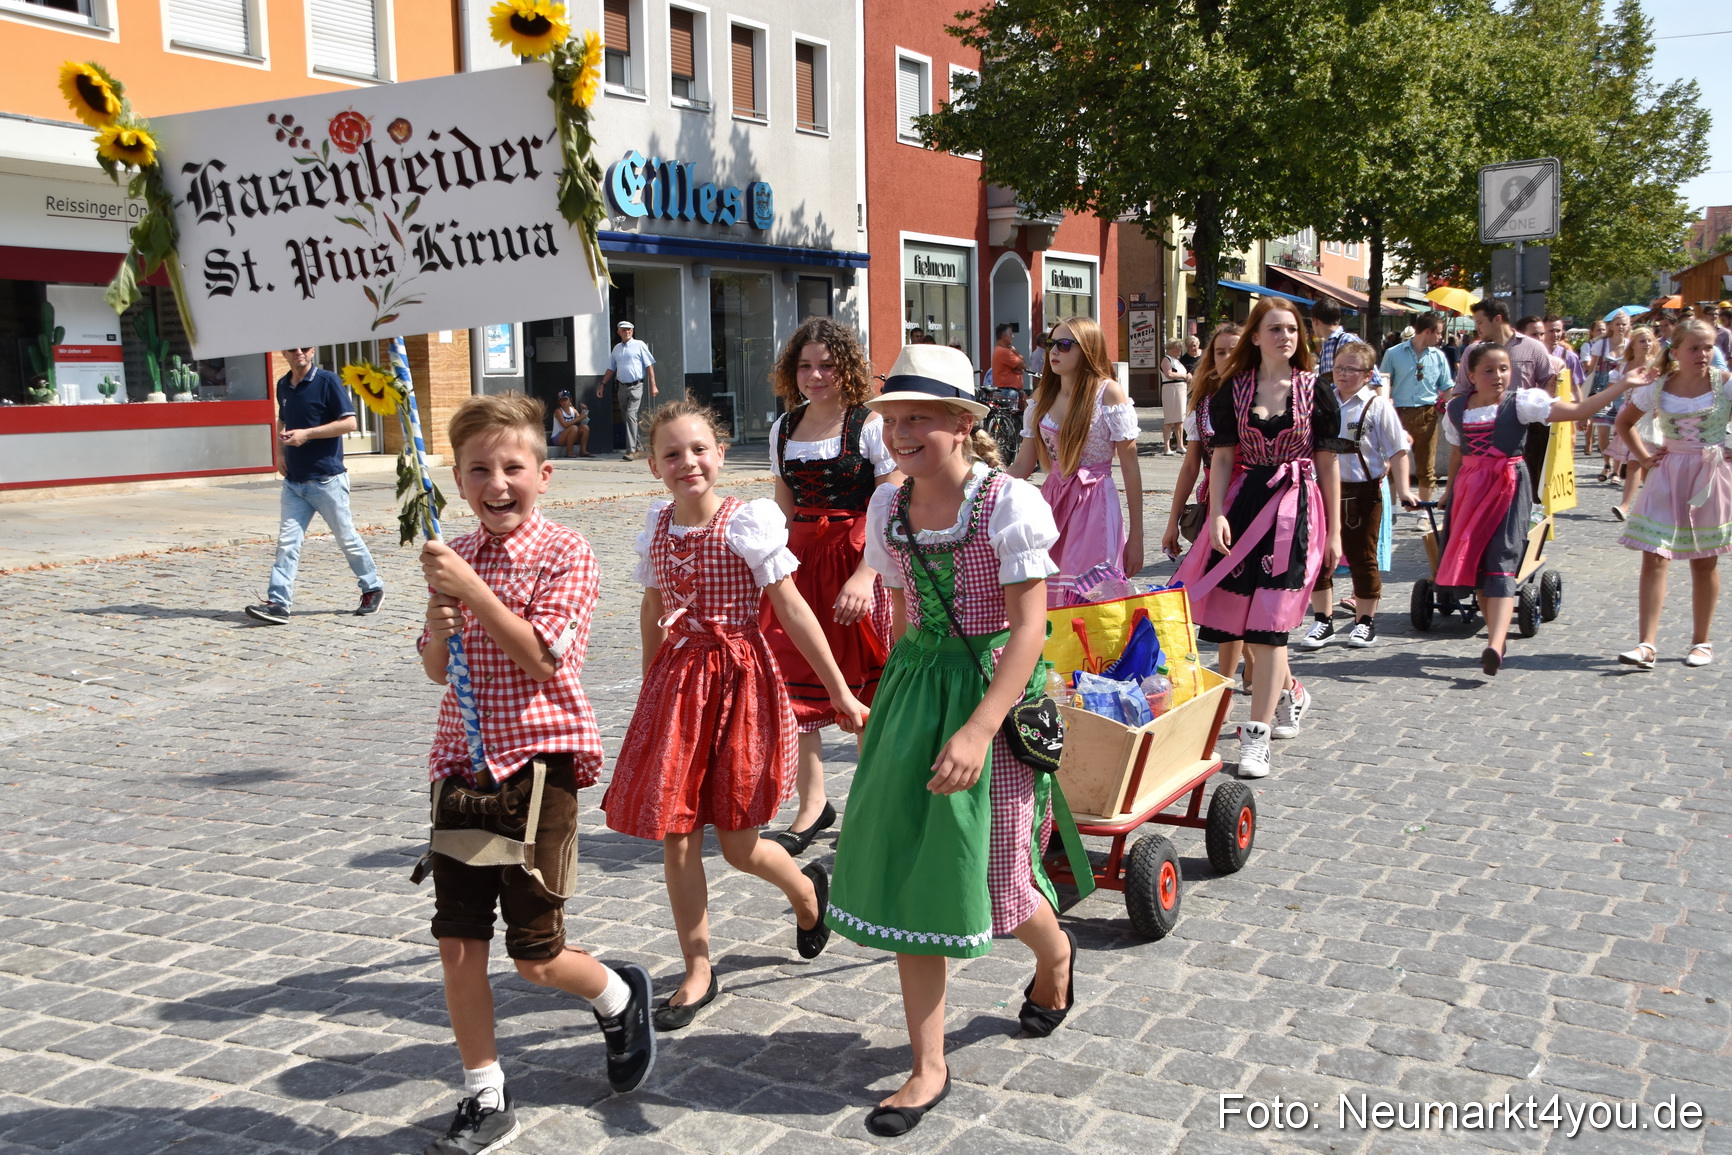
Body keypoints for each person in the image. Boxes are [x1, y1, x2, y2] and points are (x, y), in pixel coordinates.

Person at [826, 344, 1073, 1138]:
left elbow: (1030, 628)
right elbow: (900, 616)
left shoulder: (1009, 503)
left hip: (990, 693)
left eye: (920, 418)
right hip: (914, 692)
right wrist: (889, 711)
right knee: (907, 865)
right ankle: (928, 1064)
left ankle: (1055, 955)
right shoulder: (886, 507)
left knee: (1000, 879)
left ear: (964, 424)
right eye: (892, 418)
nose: (901, 432)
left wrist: (978, 724)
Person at [415, 394, 654, 1155]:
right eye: (479, 468)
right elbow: (431, 667)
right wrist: (442, 619)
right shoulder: (453, 553)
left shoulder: (567, 552)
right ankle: (485, 1092)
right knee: (457, 941)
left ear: (543, 474)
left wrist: (473, 594)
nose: (497, 481)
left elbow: (543, 658)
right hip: (462, 765)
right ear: (457, 478)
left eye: (512, 466)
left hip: (541, 765)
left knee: (537, 955)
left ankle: (617, 995)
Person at [604, 402, 868, 1032]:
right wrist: (649, 688)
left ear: (720, 455)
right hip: (678, 685)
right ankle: (698, 968)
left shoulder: (747, 522)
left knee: (741, 845)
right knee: (677, 832)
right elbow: (651, 610)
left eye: (698, 449)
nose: (687, 462)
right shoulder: (657, 525)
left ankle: (807, 894)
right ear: (653, 465)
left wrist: (838, 690)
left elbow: (795, 610)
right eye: (672, 453)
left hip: (740, 683)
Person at [1175, 299, 1344, 778]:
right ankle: (1291, 694)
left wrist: (1331, 532)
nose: (1285, 337)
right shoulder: (1234, 390)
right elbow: (1222, 459)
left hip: (1297, 511)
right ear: (1255, 336)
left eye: (1292, 329)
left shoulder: (1317, 392)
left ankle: (1256, 738)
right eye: (1274, 329)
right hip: (1246, 503)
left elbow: (1329, 464)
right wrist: (1216, 515)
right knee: (1240, 624)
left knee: (1269, 630)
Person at [760, 319, 901, 856]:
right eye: (804, 366)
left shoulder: (868, 425)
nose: (815, 376)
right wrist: (768, 564)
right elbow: (783, 504)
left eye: (825, 364)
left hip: (854, 556)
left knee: (866, 681)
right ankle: (813, 803)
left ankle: (876, 803)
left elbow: (890, 501)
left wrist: (867, 574)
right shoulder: (785, 427)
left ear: (846, 367)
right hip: (800, 559)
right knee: (798, 680)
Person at [1437, 344, 1624, 676]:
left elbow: (1579, 412)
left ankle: (1495, 643)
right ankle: (1495, 636)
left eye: (1505, 368)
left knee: (1502, 557)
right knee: (1477, 562)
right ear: (1471, 375)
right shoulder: (1456, 409)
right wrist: (1449, 493)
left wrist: (1621, 385)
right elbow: (1456, 454)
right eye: (1489, 370)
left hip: (1507, 486)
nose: (1499, 376)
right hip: (1469, 491)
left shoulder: (1522, 403)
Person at [1612, 318, 1731, 670]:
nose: (1703, 354)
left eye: (1708, 347)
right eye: (1694, 348)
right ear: (1676, 351)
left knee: (1704, 558)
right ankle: (1646, 644)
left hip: (1709, 475)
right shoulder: (1660, 387)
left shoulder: (1724, 384)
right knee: (1654, 555)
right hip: (1668, 472)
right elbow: (1623, 422)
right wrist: (1645, 457)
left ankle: (1701, 641)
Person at [244, 344, 384, 625]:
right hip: (294, 482)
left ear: (313, 350)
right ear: (283, 353)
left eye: (304, 347)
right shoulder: (283, 384)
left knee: (346, 538)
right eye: (291, 348)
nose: (298, 352)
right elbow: (283, 420)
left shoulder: (327, 381)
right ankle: (279, 604)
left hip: (326, 479)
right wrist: (281, 454)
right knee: (287, 543)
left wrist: (307, 434)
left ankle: (372, 587)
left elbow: (349, 424)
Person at [1007, 316, 1143, 597]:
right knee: (1043, 590)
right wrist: (980, 486)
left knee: (1089, 596)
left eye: (1065, 344)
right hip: (1051, 501)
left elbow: (1131, 469)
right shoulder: (1043, 395)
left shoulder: (1108, 393)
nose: (1054, 351)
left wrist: (1137, 538)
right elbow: (1022, 465)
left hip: (1094, 502)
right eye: (1051, 343)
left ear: (1088, 350)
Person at [1300, 340, 1414, 649]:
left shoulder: (1377, 406)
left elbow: (1398, 450)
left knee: (1363, 557)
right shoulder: (1321, 401)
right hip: (1322, 489)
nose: (1343, 374)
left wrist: (1403, 490)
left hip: (1362, 492)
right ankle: (1323, 621)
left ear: (1367, 375)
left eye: (1351, 369)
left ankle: (1365, 622)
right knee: (1319, 557)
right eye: (1338, 368)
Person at [1455, 297, 1558, 501]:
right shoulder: (1473, 352)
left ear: (1497, 319)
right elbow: (1462, 390)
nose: (1477, 328)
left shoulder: (1533, 347)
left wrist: (1539, 409)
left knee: (1526, 487)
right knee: (1487, 490)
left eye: (1480, 322)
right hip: (1485, 431)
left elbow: (1550, 380)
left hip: (1527, 430)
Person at [1380, 311, 1451, 515]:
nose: (1440, 338)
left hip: (1427, 414)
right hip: (1398, 414)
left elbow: (1447, 386)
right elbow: (1384, 382)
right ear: (1427, 331)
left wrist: (1453, 412)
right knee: (1393, 461)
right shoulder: (1393, 353)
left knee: (1426, 466)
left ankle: (1423, 512)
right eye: (1438, 333)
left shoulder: (1438, 357)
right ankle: (1393, 508)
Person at [1607, 327, 1660, 520]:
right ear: (1633, 345)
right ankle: (1635, 505)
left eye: (1649, 340)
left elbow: (1663, 388)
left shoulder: (1657, 365)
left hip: (1649, 416)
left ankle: (1632, 505)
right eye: (1642, 341)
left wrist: (1658, 407)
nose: (1647, 344)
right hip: (1628, 416)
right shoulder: (1624, 366)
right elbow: (1612, 391)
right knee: (1637, 463)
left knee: (1639, 463)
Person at [598, 319, 658, 461]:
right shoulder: (617, 349)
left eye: (629, 329)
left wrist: (653, 385)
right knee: (627, 418)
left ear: (632, 331)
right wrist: (602, 384)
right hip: (622, 386)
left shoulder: (639, 345)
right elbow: (611, 368)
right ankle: (638, 446)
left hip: (637, 385)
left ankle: (631, 451)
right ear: (619, 332)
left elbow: (649, 365)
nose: (627, 332)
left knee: (631, 415)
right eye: (624, 330)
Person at [1581, 312, 1630, 475]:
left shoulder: (1630, 345)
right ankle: (1607, 463)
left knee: (1620, 433)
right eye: (1618, 324)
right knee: (1603, 433)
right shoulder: (1601, 345)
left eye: (1624, 324)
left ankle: (1616, 470)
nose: (1621, 327)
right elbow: (1591, 369)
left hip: (1623, 392)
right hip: (1602, 390)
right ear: (1611, 326)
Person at [1158, 339, 1191, 453]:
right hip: (1170, 389)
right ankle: (1167, 447)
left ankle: (1180, 445)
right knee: (1169, 419)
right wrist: (1184, 375)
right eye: (1178, 347)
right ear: (1171, 348)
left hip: (1181, 389)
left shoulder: (1178, 361)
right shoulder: (1166, 359)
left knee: (1180, 418)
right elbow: (1169, 374)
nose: (1180, 350)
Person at [1310, 298, 1350, 382]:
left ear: (1315, 321)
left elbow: (1375, 380)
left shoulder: (1347, 341)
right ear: (1338, 320)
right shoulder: (1326, 344)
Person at [551, 390, 591, 458]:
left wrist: (584, 411)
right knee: (574, 428)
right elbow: (564, 425)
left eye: (565, 399)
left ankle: (583, 451)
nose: (563, 402)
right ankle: (569, 452)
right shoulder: (558, 411)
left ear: (570, 400)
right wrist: (579, 418)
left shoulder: (573, 411)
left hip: (571, 434)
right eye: (561, 400)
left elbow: (581, 422)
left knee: (585, 427)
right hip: (558, 437)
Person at [992, 323, 1026, 398]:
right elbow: (1023, 365)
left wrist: (1019, 369)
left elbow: (1021, 368)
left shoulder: (998, 350)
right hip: (1008, 392)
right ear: (1005, 337)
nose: (1013, 337)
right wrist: (1016, 352)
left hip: (1006, 391)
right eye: (1011, 334)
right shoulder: (1004, 352)